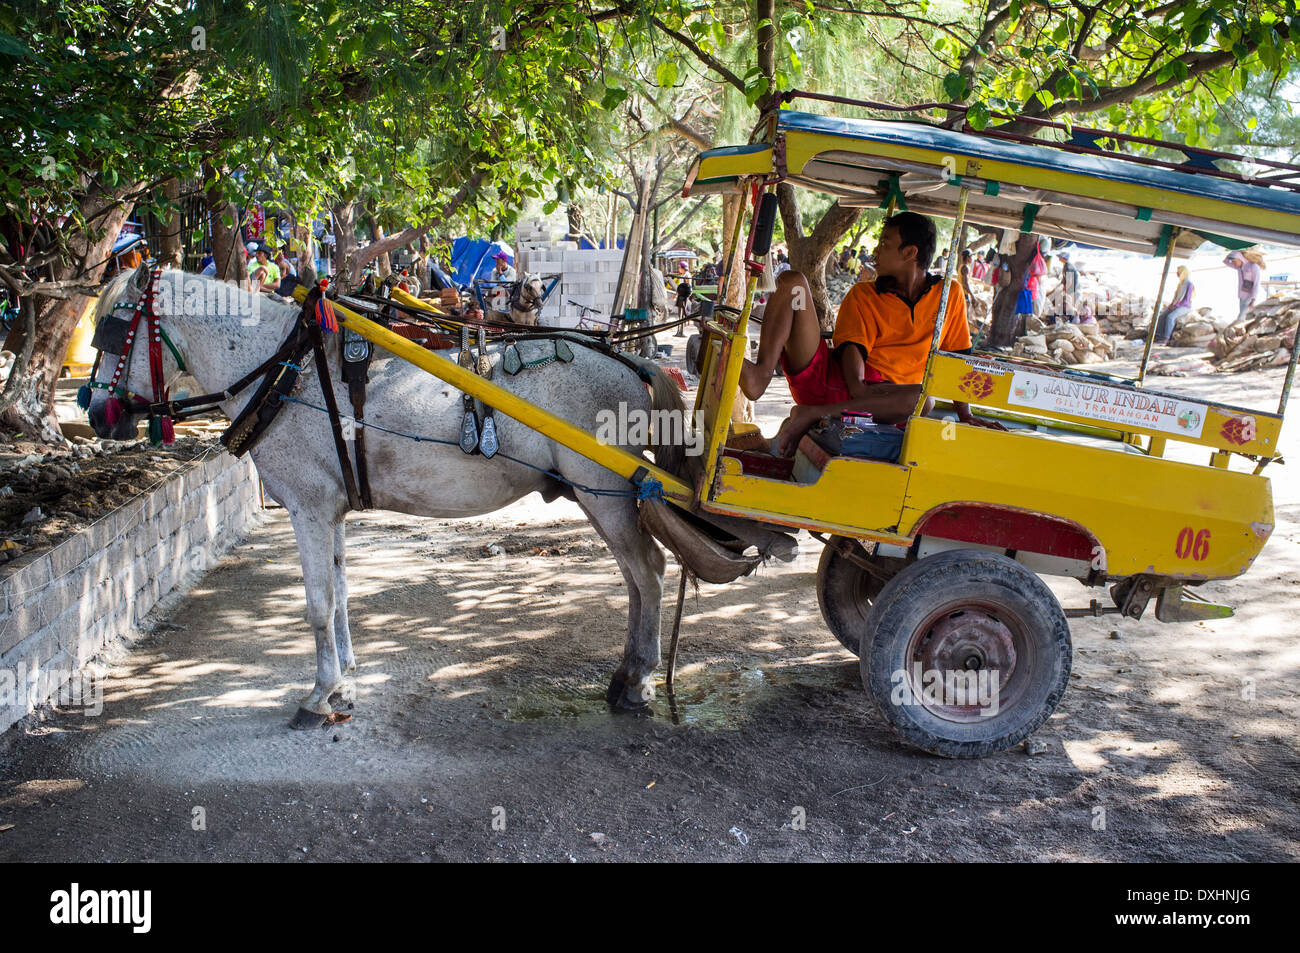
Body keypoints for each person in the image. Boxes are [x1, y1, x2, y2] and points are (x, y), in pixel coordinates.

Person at [739, 211, 1003, 455]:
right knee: (793, 282)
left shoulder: (950, 294)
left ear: (910, 252)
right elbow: (852, 357)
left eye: (885, 244)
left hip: (887, 404)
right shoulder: (862, 294)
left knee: (923, 400)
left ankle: (812, 414)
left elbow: (957, 359)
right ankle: (761, 375)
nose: (875, 252)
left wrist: (965, 415)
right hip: (844, 385)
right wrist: (859, 391)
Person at [1155, 265, 1194, 345]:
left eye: (1178, 272)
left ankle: (1166, 338)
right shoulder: (1181, 283)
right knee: (1162, 315)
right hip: (1176, 305)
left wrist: (1175, 306)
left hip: (1185, 306)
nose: (1177, 273)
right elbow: (1176, 297)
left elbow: (1186, 300)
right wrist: (1171, 305)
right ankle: (1158, 335)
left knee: (1170, 317)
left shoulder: (1189, 284)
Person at [1224, 249, 1264, 321]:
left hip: (1251, 297)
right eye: (1233, 261)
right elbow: (1225, 262)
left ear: (1240, 259)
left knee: (1241, 318)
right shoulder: (1239, 267)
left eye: (1235, 261)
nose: (1233, 263)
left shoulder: (1253, 266)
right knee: (1244, 317)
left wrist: (1253, 299)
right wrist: (1233, 252)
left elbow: (1256, 284)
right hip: (1242, 296)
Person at [1055, 250, 1079, 321]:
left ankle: (1070, 320)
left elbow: (1069, 282)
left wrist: (1065, 291)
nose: (1059, 258)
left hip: (1071, 290)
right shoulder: (1066, 266)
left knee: (1068, 306)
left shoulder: (1069, 267)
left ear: (1064, 258)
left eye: (1060, 257)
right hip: (1070, 290)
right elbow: (1064, 279)